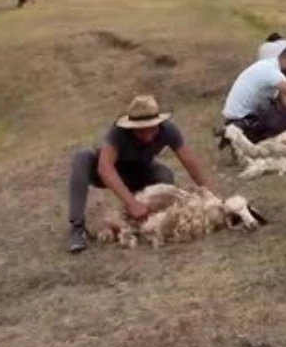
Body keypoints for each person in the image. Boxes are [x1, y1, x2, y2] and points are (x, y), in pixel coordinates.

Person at [66, 94, 221, 253]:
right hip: (105, 172)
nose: (147, 136)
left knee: (164, 174)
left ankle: (149, 223)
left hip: (139, 172)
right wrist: (131, 203)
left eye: (151, 129)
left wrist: (213, 197)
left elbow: (190, 163)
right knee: (82, 156)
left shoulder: (168, 130)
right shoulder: (118, 133)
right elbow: (105, 168)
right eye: (141, 131)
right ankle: (77, 228)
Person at [221, 45, 286, 144]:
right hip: (243, 122)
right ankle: (261, 142)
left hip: (237, 118)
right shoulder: (273, 73)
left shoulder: (268, 64)